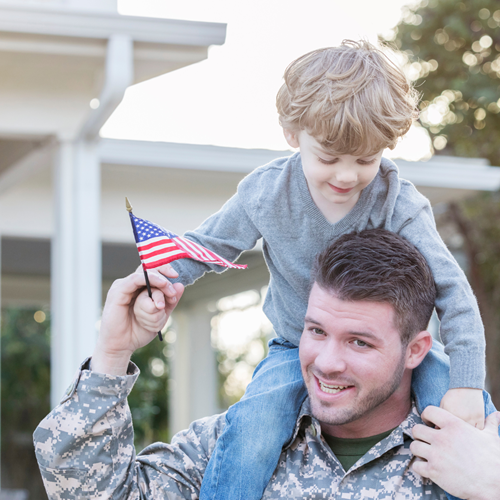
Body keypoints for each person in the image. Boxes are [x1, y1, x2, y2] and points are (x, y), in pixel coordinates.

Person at [134, 40, 489, 500]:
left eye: (365, 160)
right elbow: (207, 246)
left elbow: (454, 294)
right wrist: (161, 280)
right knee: (250, 436)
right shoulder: (265, 193)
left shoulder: (399, 202)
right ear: (292, 133)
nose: (346, 176)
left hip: (395, 353)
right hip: (291, 345)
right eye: (327, 158)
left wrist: (466, 384)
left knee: (467, 418)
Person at [33, 229, 498, 499]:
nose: (327, 362)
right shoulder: (233, 444)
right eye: (316, 331)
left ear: (416, 349)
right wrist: (113, 354)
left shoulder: (479, 454)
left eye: (359, 342)